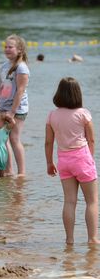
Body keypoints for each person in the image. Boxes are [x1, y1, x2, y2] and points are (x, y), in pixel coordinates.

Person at [45, 77, 99, 244]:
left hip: (64, 161)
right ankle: (92, 239)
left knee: (69, 201)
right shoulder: (83, 114)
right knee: (91, 201)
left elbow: (48, 142)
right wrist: (90, 158)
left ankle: (69, 239)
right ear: (77, 94)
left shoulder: (52, 115)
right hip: (82, 159)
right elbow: (91, 140)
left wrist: (49, 163)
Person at [0, 34, 30, 176]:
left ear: (19, 50)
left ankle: (22, 173)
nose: (7, 49)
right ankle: (8, 171)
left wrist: (12, 112)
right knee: (3, 140)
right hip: (3, 108)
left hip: (17, 109)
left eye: (10, 47)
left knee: (14, 138)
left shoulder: (21, 68)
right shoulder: (5, 66)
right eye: (5, 47)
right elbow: (0, 88)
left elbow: (20, 91)